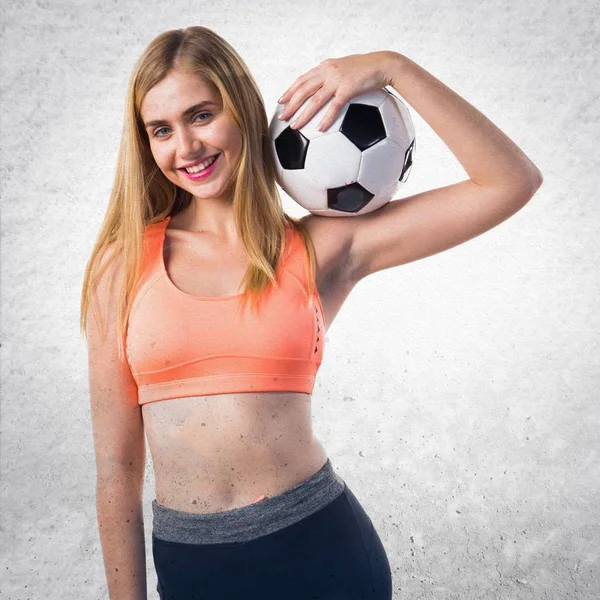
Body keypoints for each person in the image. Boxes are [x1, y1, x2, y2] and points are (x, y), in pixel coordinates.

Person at [80, 25, 543, 600]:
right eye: (161, 130)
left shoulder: (320, 247)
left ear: (243, 111)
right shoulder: (122, 267)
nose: (186, 147)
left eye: (201, 116)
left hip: (321, 550)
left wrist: (394, 67)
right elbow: (117, 474)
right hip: (196, 566)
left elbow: (509, 182)